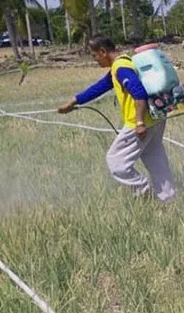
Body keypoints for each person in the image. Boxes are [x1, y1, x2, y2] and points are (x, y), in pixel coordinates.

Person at [57, 36, 177, 203]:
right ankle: (168, 199)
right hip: (156, 118)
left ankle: (144, 194)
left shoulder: (121, 68)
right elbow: (100, 87)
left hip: (140, 123)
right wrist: (74, 101)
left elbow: (139, 93)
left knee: (116, 161)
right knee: (155, 158)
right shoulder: (122, 63)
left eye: (94, 55)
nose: (95, 60)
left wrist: (139, 123)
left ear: (103, 52)